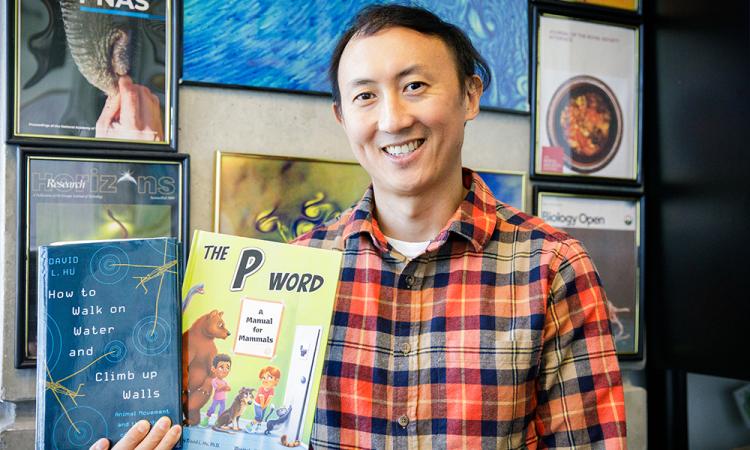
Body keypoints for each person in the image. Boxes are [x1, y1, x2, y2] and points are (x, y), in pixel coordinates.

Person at [291, 4, 627, 448]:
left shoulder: (552, 267)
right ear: (342, 116)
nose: (392, 120)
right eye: (365, 96)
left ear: (470, 95)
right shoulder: (296, 269)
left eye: (414, 86)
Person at [205, 354, 233, 424]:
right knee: (212, 409)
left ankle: (218, 421)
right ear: (214, 369)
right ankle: (206, 419)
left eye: (227, 367)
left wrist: (227, 388)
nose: (225, 370)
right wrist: (223, 387)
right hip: (216, 398)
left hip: (223, 399)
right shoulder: (214, 380)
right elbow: (217, 388)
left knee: (222, 410)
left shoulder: (224, 381)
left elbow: (228, 389)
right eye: (221, 367)